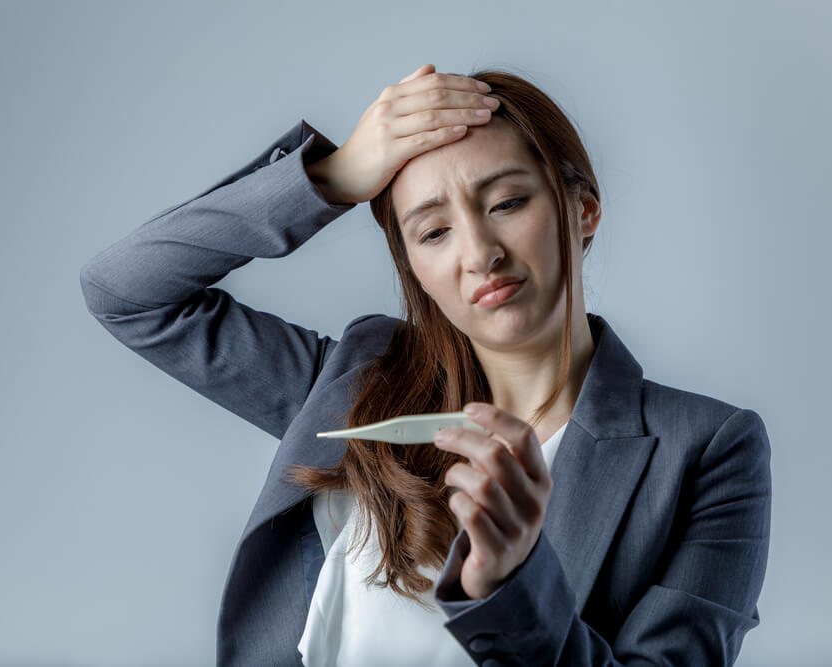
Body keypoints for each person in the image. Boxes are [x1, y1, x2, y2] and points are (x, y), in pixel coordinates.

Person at [79, 63, 772, 666]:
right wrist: (330, 177)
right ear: (411, 263)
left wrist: (509, 584)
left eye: (507, 202)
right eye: (433, 231)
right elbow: (128, 292)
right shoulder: (358, 380)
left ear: (582, 209)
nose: (479, 252)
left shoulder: (709, 450)